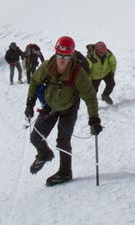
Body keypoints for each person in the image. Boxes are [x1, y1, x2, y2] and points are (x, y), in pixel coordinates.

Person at [24, 36, 103, 186]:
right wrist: (30, 103)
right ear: (56, 53)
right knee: (35, 137)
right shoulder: (47, 67)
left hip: (69, 109)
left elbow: (90, 97)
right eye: (60, 55)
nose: (62, 59)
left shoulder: (78, 73)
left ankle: (65, 172)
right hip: (50, 106)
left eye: (66, 56)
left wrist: (94, 119)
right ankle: (44, 154)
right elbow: (34, 82)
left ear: (71, 55)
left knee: (63, 142)